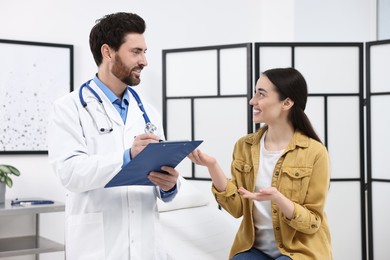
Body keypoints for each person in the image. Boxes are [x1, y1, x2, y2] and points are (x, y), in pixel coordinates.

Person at [48, 12, 180, 260]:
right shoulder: (69, 107)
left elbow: (160, 173)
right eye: (136, 52)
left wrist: (170, 186)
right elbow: (69, 173)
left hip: (146, 244)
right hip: (98, 246)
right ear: (108, 52)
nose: (144, 61)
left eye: (145, 52)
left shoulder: (148, 112)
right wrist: (128, 156)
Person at [188, 67, 332, 260]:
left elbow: (313, 222)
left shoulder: (315, 152)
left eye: (261, 94)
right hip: (255, 249)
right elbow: (237, 209)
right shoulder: (244, 146)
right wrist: (212, 166)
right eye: (255, 93)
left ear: (287, 102)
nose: (252, 101)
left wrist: (279, 199)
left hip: (299, 251)